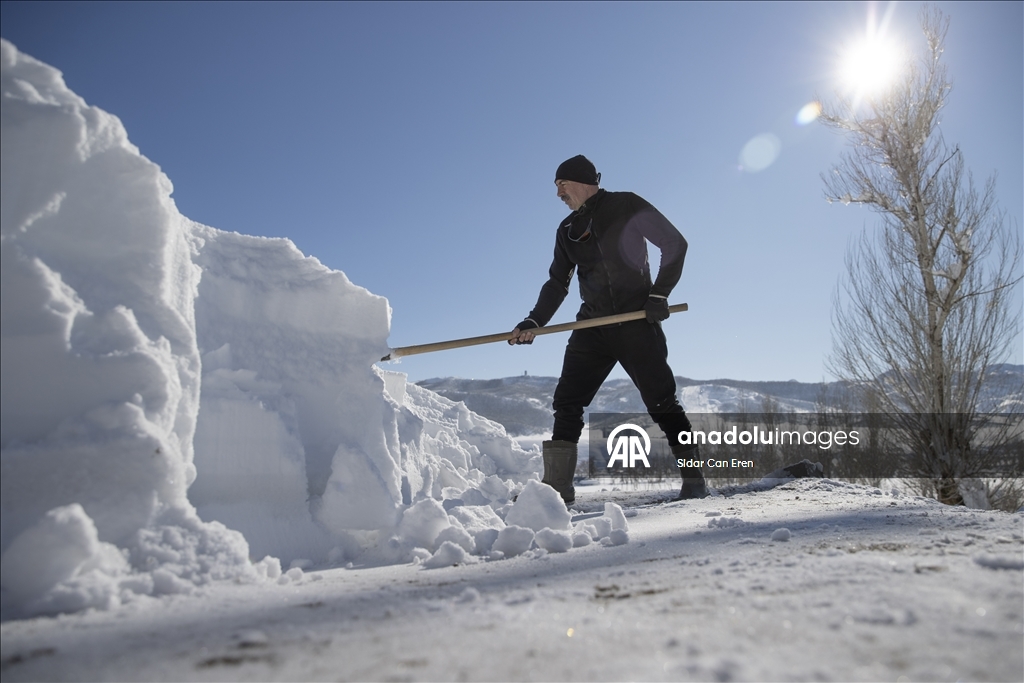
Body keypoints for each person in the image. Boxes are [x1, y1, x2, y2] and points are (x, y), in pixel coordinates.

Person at [509, 155, 706, 506]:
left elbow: (675, 243)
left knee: (662, 401)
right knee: (567, 402)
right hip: (592, 327)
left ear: (582, 180)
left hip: (635, 321)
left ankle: (695, 479)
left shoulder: (625, 204)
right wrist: (534, 321)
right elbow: (557, 283)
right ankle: (557, 491)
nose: (558, 194)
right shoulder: (566, 230)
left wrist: (659, 294)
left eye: (561, 185)